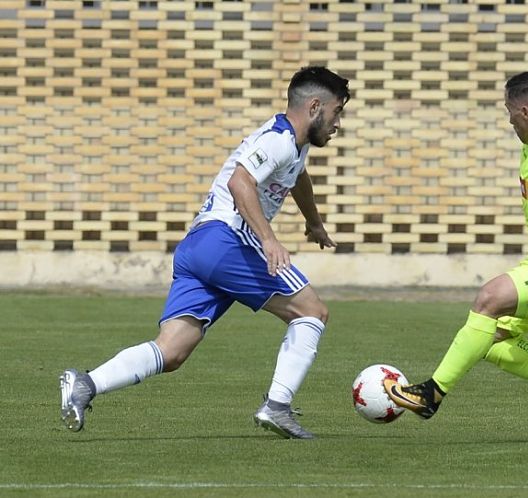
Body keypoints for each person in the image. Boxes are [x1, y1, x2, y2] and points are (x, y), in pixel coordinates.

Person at [59, 66, 350, 439]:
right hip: (227, 238)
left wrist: (314, 222)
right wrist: (269, 239)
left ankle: (84, 384)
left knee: (173, 350)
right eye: (337, 111)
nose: (338, 123)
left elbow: (297, 177)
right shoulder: (278, 139)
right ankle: (277, 406)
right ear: (314, 106)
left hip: (199, 246)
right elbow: (240, 181)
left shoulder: (293, 144)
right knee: (312, 311)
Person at [384, 70, 528, 443]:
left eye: (508, 111)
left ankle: (431, 395)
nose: (508, 119)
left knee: (488, 297)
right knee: (491, 341)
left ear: (525, 111)